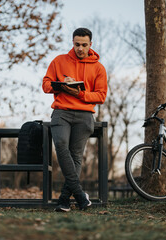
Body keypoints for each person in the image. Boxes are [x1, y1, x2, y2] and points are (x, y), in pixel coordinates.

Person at [42, 28, 107, 212]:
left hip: (84, 115)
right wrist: (61, 86)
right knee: (61, 145)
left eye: (84, 45)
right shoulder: (59, 61)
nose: (80, 48)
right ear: (73, 43)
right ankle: (79, 195)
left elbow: (101, 96)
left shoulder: (98, 68)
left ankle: (63, 200)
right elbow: (46, 85)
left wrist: (80, 93)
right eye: (77, 44)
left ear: (90, 45)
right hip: (61, 112)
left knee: (76, 156)